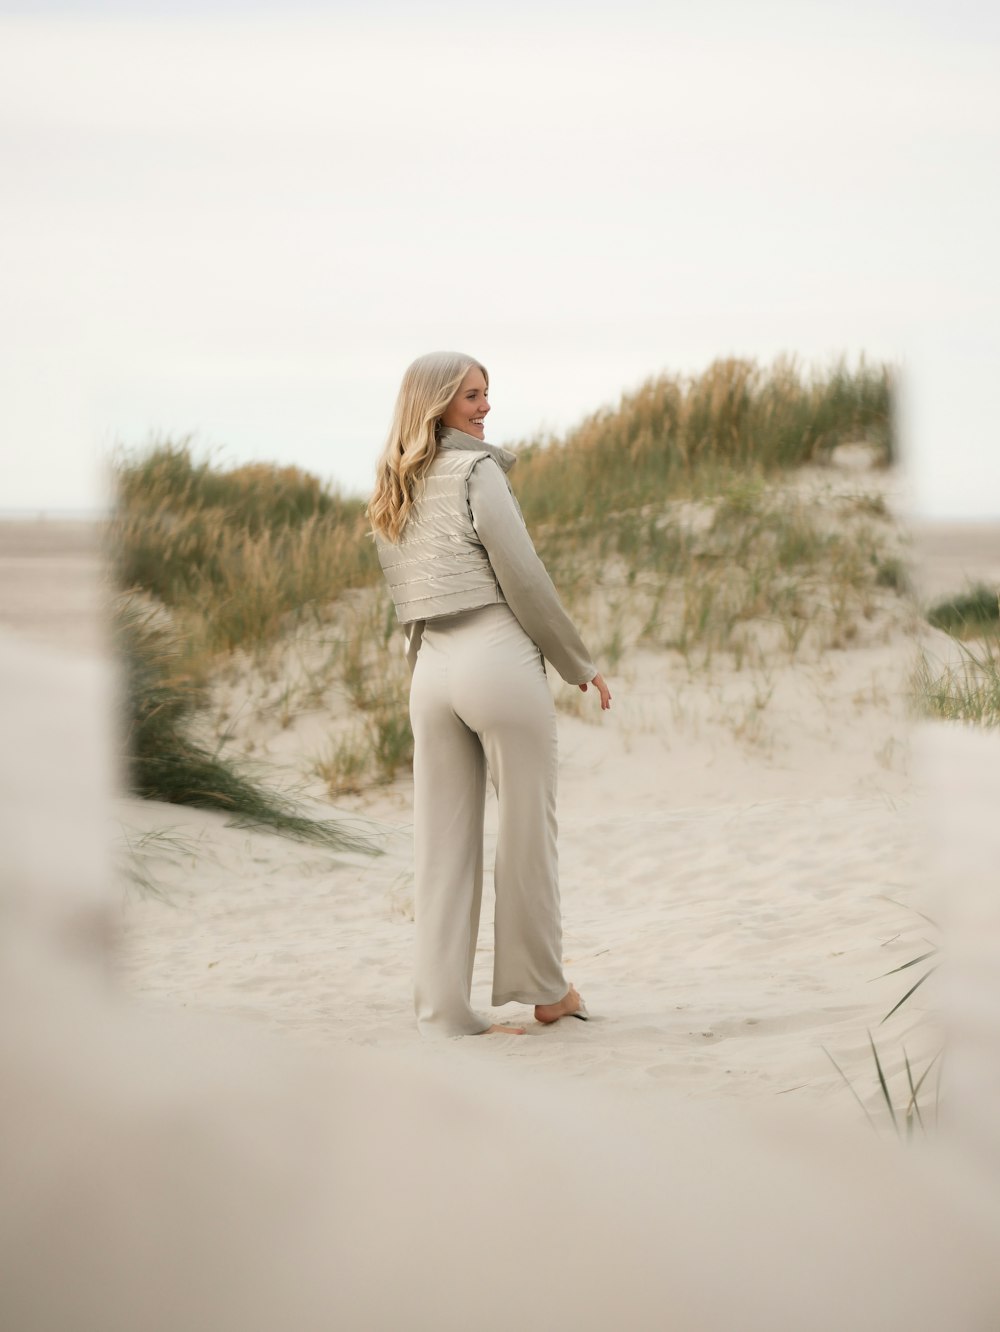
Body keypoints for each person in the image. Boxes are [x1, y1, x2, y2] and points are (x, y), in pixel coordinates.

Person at [368, 351, 612, 1038]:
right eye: (471, 395)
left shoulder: (394, 482)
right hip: (495, 659)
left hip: (430, 671)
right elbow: (523, 577)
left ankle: (443, 1011)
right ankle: (545, 992)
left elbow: (405, 595)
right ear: (438, 401)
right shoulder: (478, 473)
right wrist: (577, 662)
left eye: (486, 394)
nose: (484, 406)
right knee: (529, 830)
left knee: (440, 847)